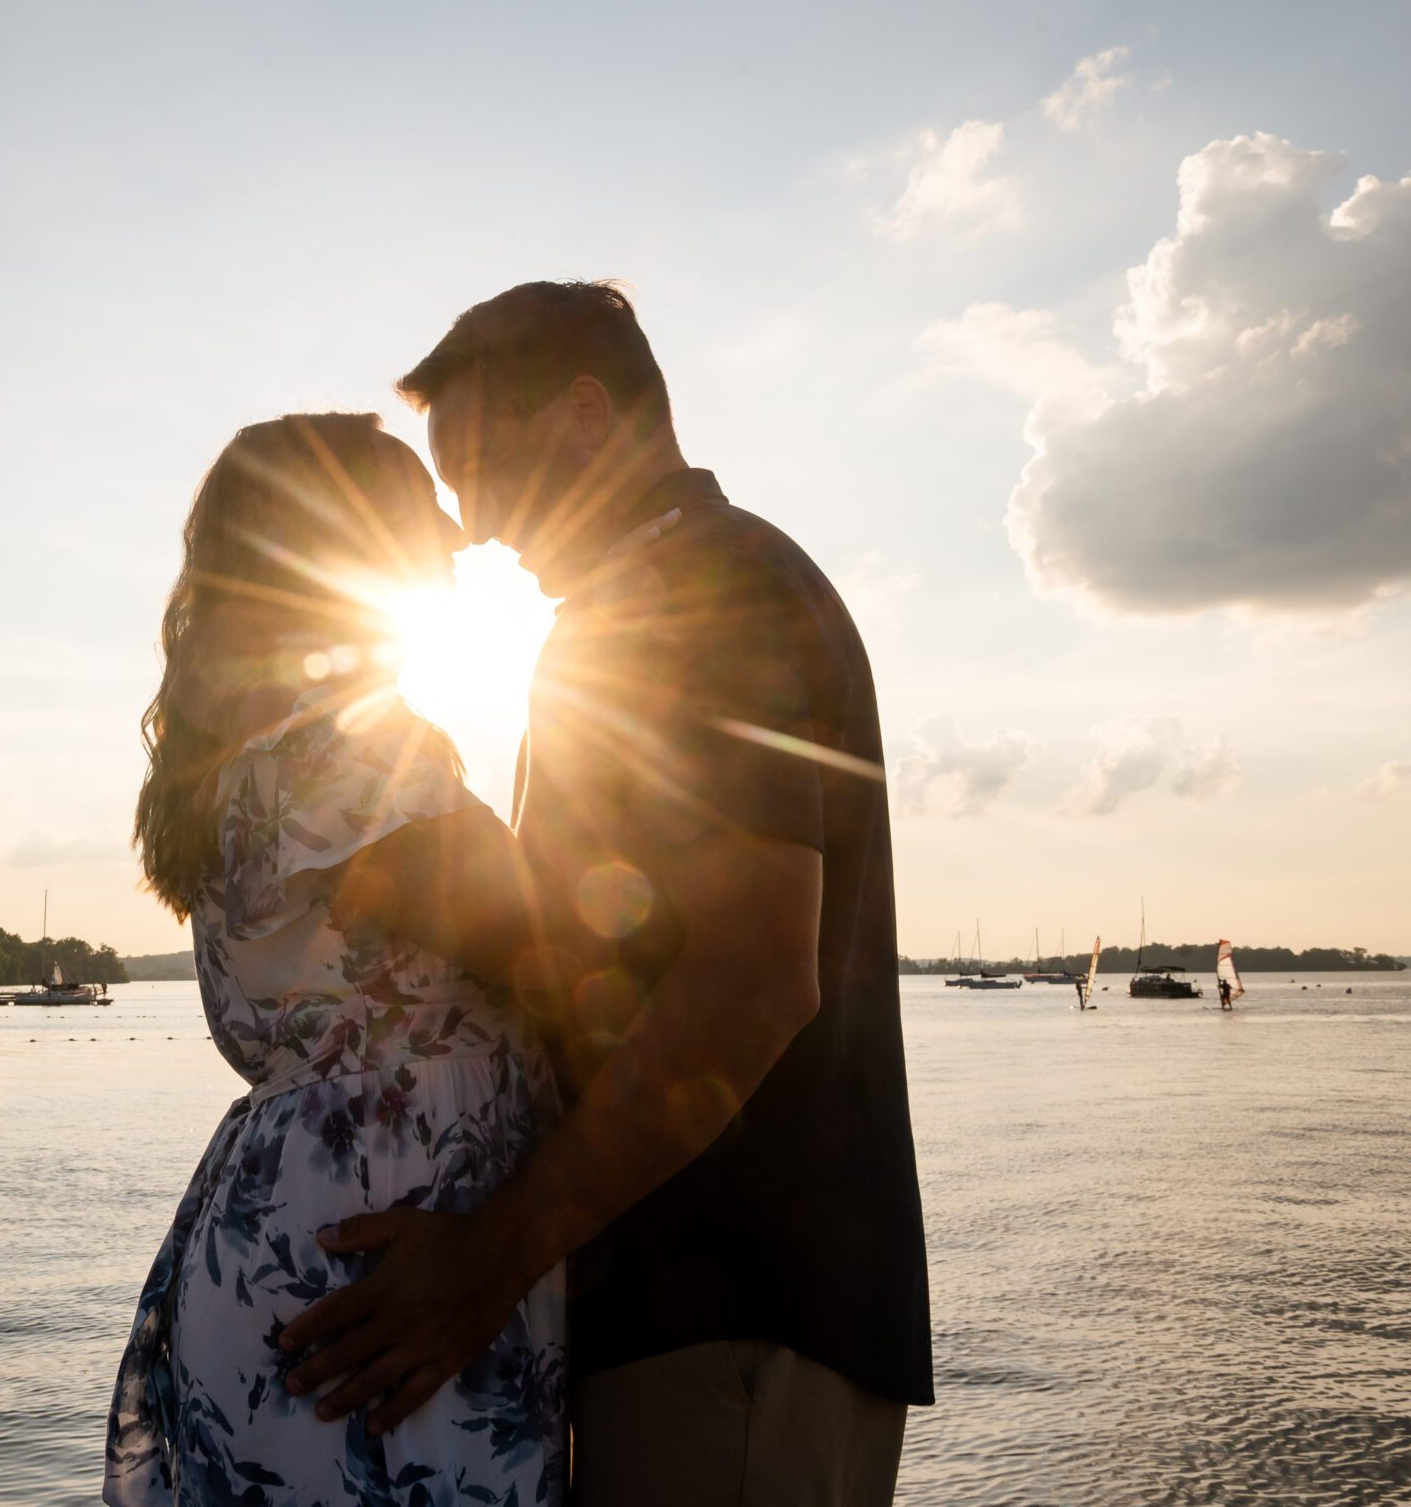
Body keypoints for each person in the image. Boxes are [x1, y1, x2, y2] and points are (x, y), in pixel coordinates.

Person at [278, 282, 934, 1504]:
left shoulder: (686, 595)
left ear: (586, 413)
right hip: (734, 1314)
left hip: (728, 1315)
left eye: (476, 463)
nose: (468, 524)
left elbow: (749, 977)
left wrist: (482, 1264)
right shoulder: (686, 587)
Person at [104, 413, 568, 1507]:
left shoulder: (251, 753)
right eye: (417, 505)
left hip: (311, 1229)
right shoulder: (338, 753)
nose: (455, 534)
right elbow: (545, 947)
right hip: (375, 1263)